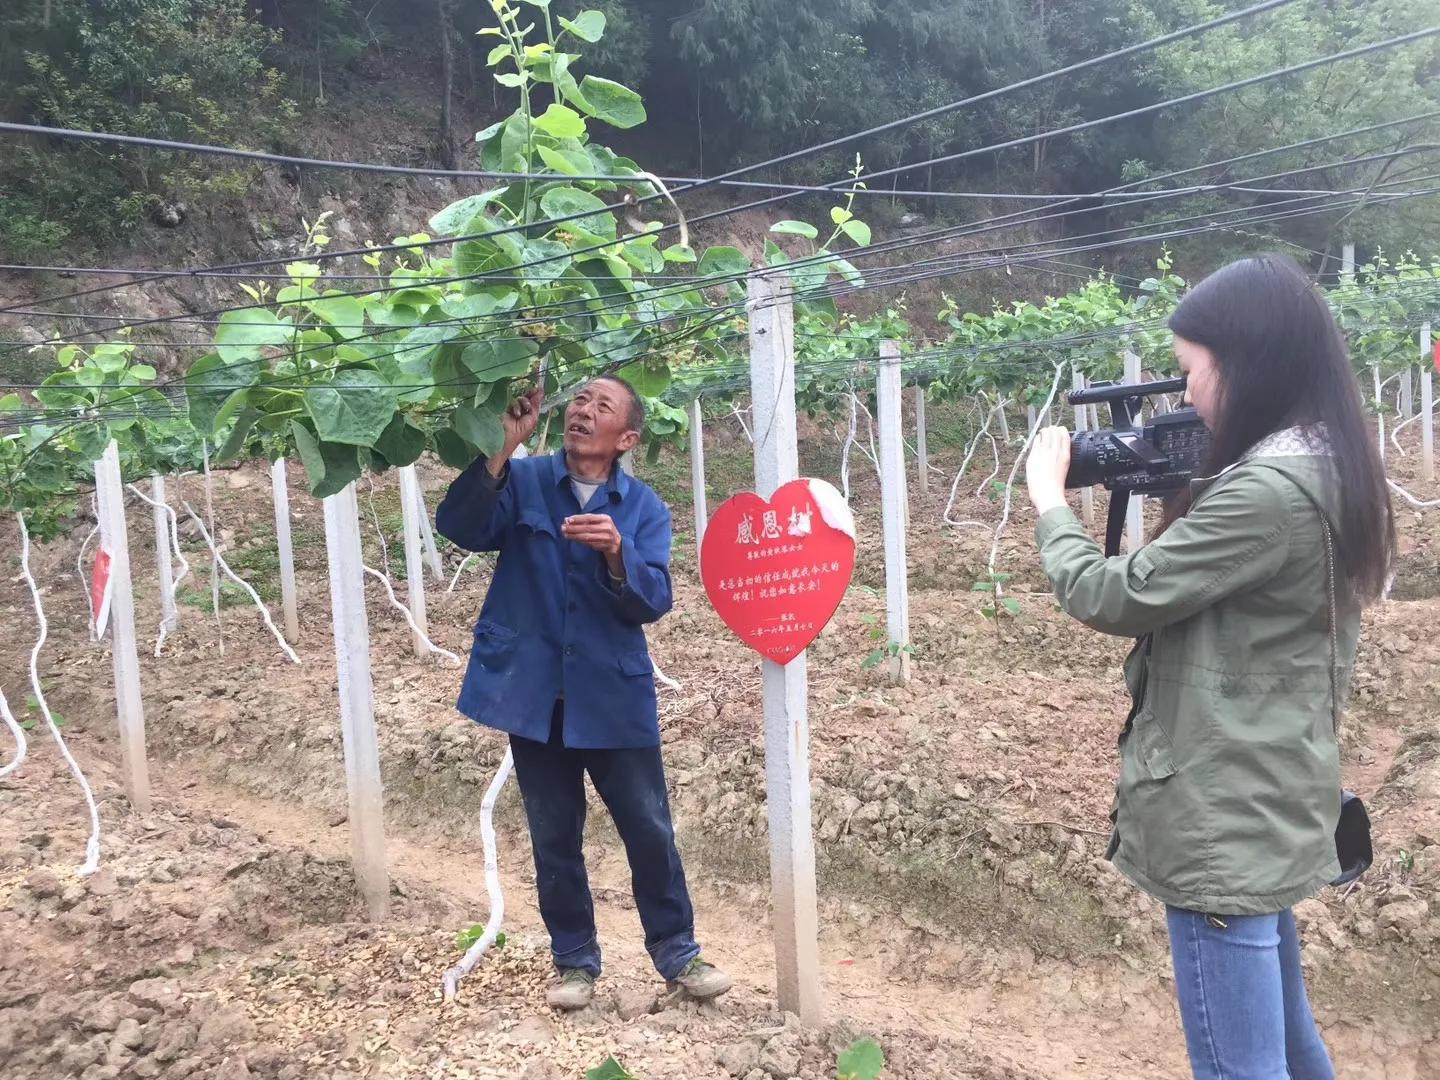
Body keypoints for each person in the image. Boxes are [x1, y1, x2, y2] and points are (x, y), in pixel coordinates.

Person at [1024, 254, 1394, 1080]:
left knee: (1240, 1068)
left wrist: (1051, 500)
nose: (1185, 393)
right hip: (1272, 790)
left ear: (1246, 366)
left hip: (1222, 816)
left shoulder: (1262, 495)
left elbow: (1111, 596)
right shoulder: (1327, 467)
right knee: (1293, 1050)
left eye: (1193, 371)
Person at [435, 375, 732, 1012]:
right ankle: (574, 962)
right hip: (535, 695)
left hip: (611, 697)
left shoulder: (644, 508)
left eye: (602, 407)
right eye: (579, 400)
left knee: (649, 828)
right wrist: (500, 447)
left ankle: (678, 952)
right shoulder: (526, 479)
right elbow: (460, 525)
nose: (583, 411)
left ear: (625, 438)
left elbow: (653, 602)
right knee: (553, 835)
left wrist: (619, 556)